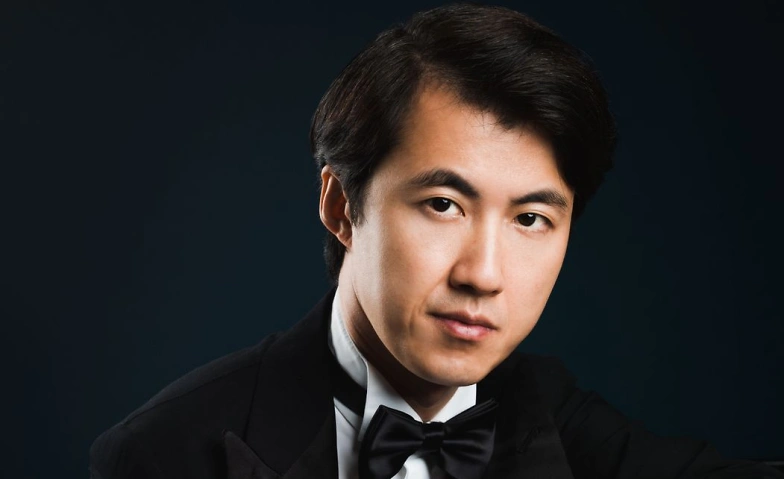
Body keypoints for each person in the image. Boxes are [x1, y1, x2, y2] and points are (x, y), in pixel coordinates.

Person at [89, 4, 783, 479]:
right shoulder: (166, 453)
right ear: (340, 205)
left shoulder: (550, 409)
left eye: (530, 218)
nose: (484, 274)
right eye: (443, 205)